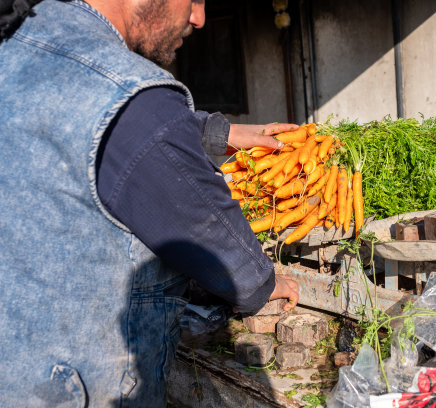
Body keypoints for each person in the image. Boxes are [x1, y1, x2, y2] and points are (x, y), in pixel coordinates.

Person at [0, 0, 299, 406]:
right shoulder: (132, 93)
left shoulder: (23, 40)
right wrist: (262, 281)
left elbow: (93, 114)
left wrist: (207, 131)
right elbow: (207, 228)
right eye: (193, 0)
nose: (199, 18)